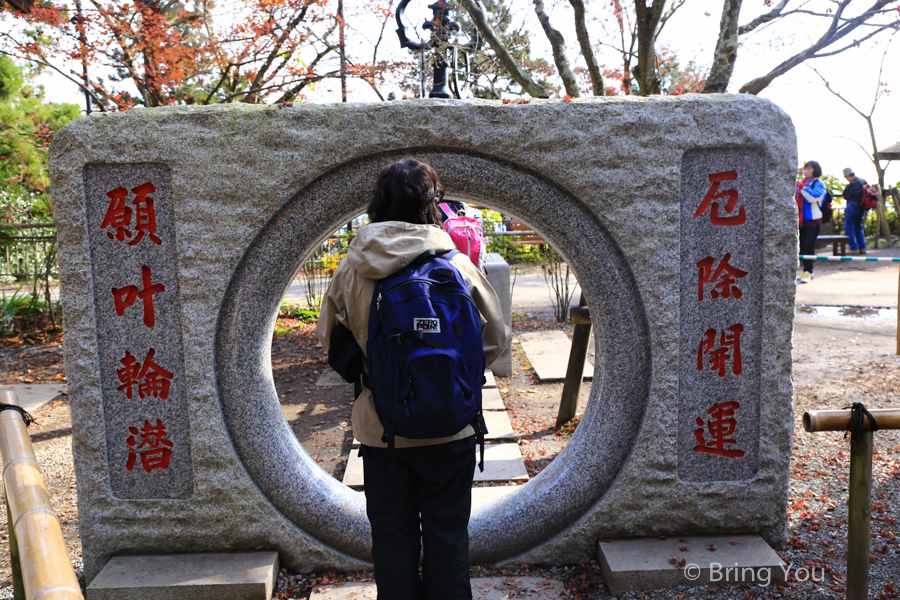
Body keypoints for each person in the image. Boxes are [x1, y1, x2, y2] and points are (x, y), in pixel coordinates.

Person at [315, 157, 511, 600]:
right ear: (431, 205)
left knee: (392, 539)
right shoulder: (457, 265)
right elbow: (496, 338)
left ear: (376, 206)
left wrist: (374, 373)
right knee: (448, 536)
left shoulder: (354, 270)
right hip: (453, 427)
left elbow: (329, 338)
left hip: (383, 431)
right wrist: (451, 379)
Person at [796, 161, 827, 284]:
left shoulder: (818, 183)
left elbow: (814, 197)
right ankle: (804, 271)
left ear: (815, 170)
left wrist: (802, 187)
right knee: (802, 246)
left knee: (809, 246)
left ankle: (809, 271)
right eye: (805, 168)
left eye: (809, 168)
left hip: (813, 219)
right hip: (800, 219)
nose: (805, 171)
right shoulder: (801, 183)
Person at [841, 167, 867, 255]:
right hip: (862, 206)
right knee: (858, 226)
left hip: (853, 204)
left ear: (848, 176)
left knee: (849, 226)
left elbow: (845, 195)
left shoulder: (852, 183)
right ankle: (862, 247)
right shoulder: (862, 181)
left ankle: (853, 248)